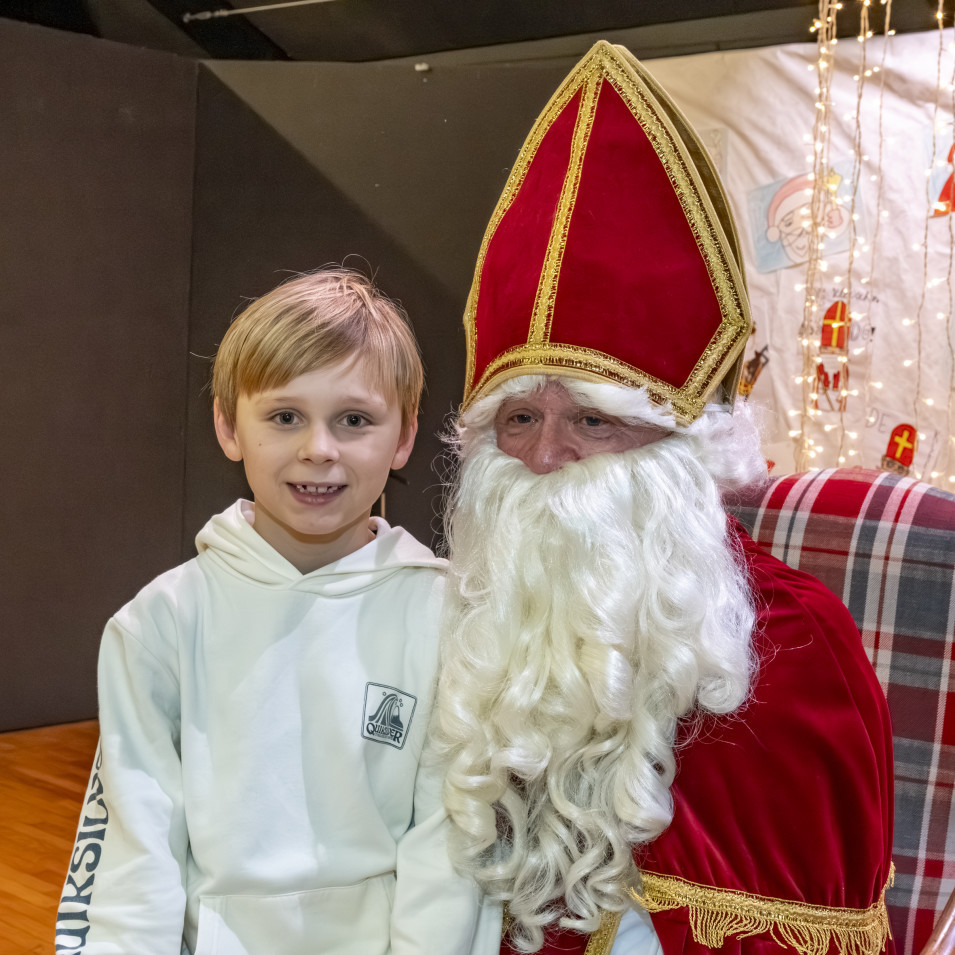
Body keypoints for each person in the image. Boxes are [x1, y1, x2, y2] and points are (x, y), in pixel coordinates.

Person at [433, 42, 895, 955]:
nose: (547, 456)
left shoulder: (798, 649)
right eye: (518, 419)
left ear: (684, 451)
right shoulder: (452, 623)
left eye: (593, 421)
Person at [55, 268, 487, 954]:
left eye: (354, 420)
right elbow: (136, 849)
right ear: (228, 426)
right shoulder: (159, 625)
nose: (319, 449)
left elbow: (450, 847)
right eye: (285, 417)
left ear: (404, 436)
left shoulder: (451, 621)